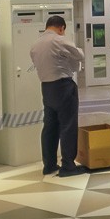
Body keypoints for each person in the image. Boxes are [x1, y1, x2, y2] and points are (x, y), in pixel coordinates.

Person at [29, 15, 86, 177]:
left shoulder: (35, 45)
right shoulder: (59, 40)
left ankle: (49, 165)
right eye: (63, 31)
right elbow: (79, 55)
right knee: (67, 126)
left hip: (46, 88)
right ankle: (68, 165)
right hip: (63, 86)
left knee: (50, 127)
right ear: (61, 28)